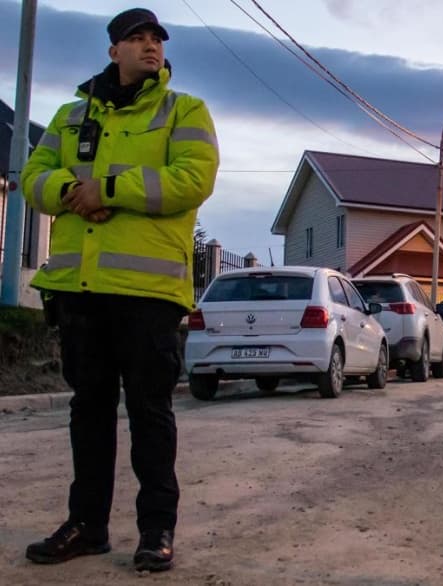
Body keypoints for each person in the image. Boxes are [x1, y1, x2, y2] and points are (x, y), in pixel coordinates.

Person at [21, 8, 219, 573]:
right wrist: (69, 190)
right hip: (81, 289)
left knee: (150, 411)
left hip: (148, 294)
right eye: (137, 38)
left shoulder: (184, 110)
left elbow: (191, 180)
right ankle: (86, 525)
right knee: (89, 411)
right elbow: (34, 175)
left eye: (156, 38)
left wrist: (106, 188)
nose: (151, 46)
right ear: (114, 51)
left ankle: (156, 530)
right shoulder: (71, 114)